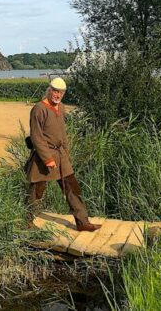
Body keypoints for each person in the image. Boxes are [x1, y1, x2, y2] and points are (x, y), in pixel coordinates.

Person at [25, 77, 101, 232]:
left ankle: (82, 222)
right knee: (36, 191)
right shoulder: (39, 109)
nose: (58, 95)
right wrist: (47, 159)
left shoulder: (61, 108)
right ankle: (26, 223)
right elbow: (36, 137)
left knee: (73, 188)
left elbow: (62, 134)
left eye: (61, 93)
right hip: (44, 157)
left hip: (61, 156)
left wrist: (65, 153)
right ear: (49, 90)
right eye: (55, 91)